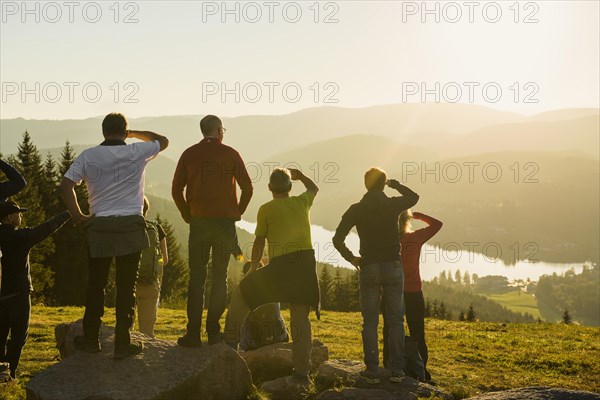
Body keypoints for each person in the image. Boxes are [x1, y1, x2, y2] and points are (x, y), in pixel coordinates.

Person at [60, 112, 168, 360]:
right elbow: (163, 140)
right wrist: (134, 134)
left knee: (96, 285)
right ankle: (122, 342)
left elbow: (66, 185)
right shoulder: (136, 152)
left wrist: (79, 217)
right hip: (131, 225)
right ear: (124, 131)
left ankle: (90, 340)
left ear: (103, 131)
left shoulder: (89, 156)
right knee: (126, 287)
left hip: (100, 227)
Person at [225, 168, 319, 389]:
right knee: (300, 318)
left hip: (280, 267)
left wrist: (254, 269)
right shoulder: (301, 202)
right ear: (289, 187)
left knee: (242, 292)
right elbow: (314, 188)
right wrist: (301, 176)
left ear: (270, 188)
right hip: (305, 265)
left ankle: (228, 350)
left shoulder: (266, 209)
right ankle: (302, 375)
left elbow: (258, 243)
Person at [172, 115, 253, 346]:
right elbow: (248, 188)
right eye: (223, 129)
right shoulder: (231, 153)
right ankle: (214, 332)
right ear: (219, 131)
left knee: (196, 279)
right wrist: (236, 212)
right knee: (219, 278)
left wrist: (187, 215)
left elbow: (176, 190)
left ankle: (192, 334)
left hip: (198, 223)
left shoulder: (189, 154)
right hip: (224, 225)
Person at [333, 168, 419, 384]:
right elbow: (414, 197)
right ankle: (397, 372)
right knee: (396, 321)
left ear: (365, 185)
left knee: (369, 322)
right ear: (382, 185)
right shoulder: (391, 204)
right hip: (393, 266)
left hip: (369, 267)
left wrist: (352, 258)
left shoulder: (357, 208)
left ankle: (371, 371)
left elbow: (337, 238)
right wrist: (395, 184)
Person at [0, 201, 70, 379]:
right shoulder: (21, 237)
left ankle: (1, 369)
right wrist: (69, 213)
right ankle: (9, 373)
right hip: (18, 293)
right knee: (18, 336)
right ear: (9, 217)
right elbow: (47, 228)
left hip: (2, 294)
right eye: (18, 213)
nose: (20, 216)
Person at [383, 210, 442, 382]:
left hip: (392, 292)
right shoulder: (416, 237)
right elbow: (437, 224)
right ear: (407, 221)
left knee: (390, 330)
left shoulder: (388, 241)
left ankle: (389, 365)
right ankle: (421, 370)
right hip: (414, 293)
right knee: (417, 332)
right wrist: (419, 215)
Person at [135, 197, 168, 338]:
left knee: (125, 327)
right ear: (146, 210)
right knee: (147, 331)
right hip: (150, 283)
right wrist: (155, 265)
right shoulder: (156, 228)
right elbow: (165, 259)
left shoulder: (125, 226)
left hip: (129, 282)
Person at [238, 261, 289, 351]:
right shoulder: (273, 288)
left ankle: (244, 352)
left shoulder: (244, 292)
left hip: (254, 343)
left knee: (244, 322)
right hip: (278, 338)